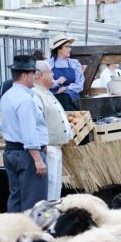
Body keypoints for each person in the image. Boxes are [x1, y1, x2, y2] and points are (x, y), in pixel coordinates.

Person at [0, 54, 48, 212]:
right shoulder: (25, 100)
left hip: (11, 152)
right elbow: (29, 131)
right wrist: (38, 159)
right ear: (24, 75)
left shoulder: (7, 96)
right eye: (34, 73)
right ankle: (30, 234)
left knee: (16, 198)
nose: (36, 76)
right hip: (26, 154)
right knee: (33, 204)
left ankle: (14, 233)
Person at [32, 60, 74, 201]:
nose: (53, 74)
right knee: (50, 187)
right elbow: (36, 125)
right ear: (39, 75)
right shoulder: (35, 94)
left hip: (55, 148)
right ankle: (48, 217)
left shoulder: (46, 92)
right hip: (48, 148)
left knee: (55, 186)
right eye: (50, 72)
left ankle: (53, 214)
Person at [48, 34, 84, 111]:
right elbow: (42, 83)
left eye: (70, 47)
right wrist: (57, 82)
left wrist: (66, 88)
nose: (70, 49)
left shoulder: (75, 64)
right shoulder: (48, 64)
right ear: (59, 48)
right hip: (52, 98)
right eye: (67, 47)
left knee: (65, 96)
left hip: (71, 98)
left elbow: (80, 85)